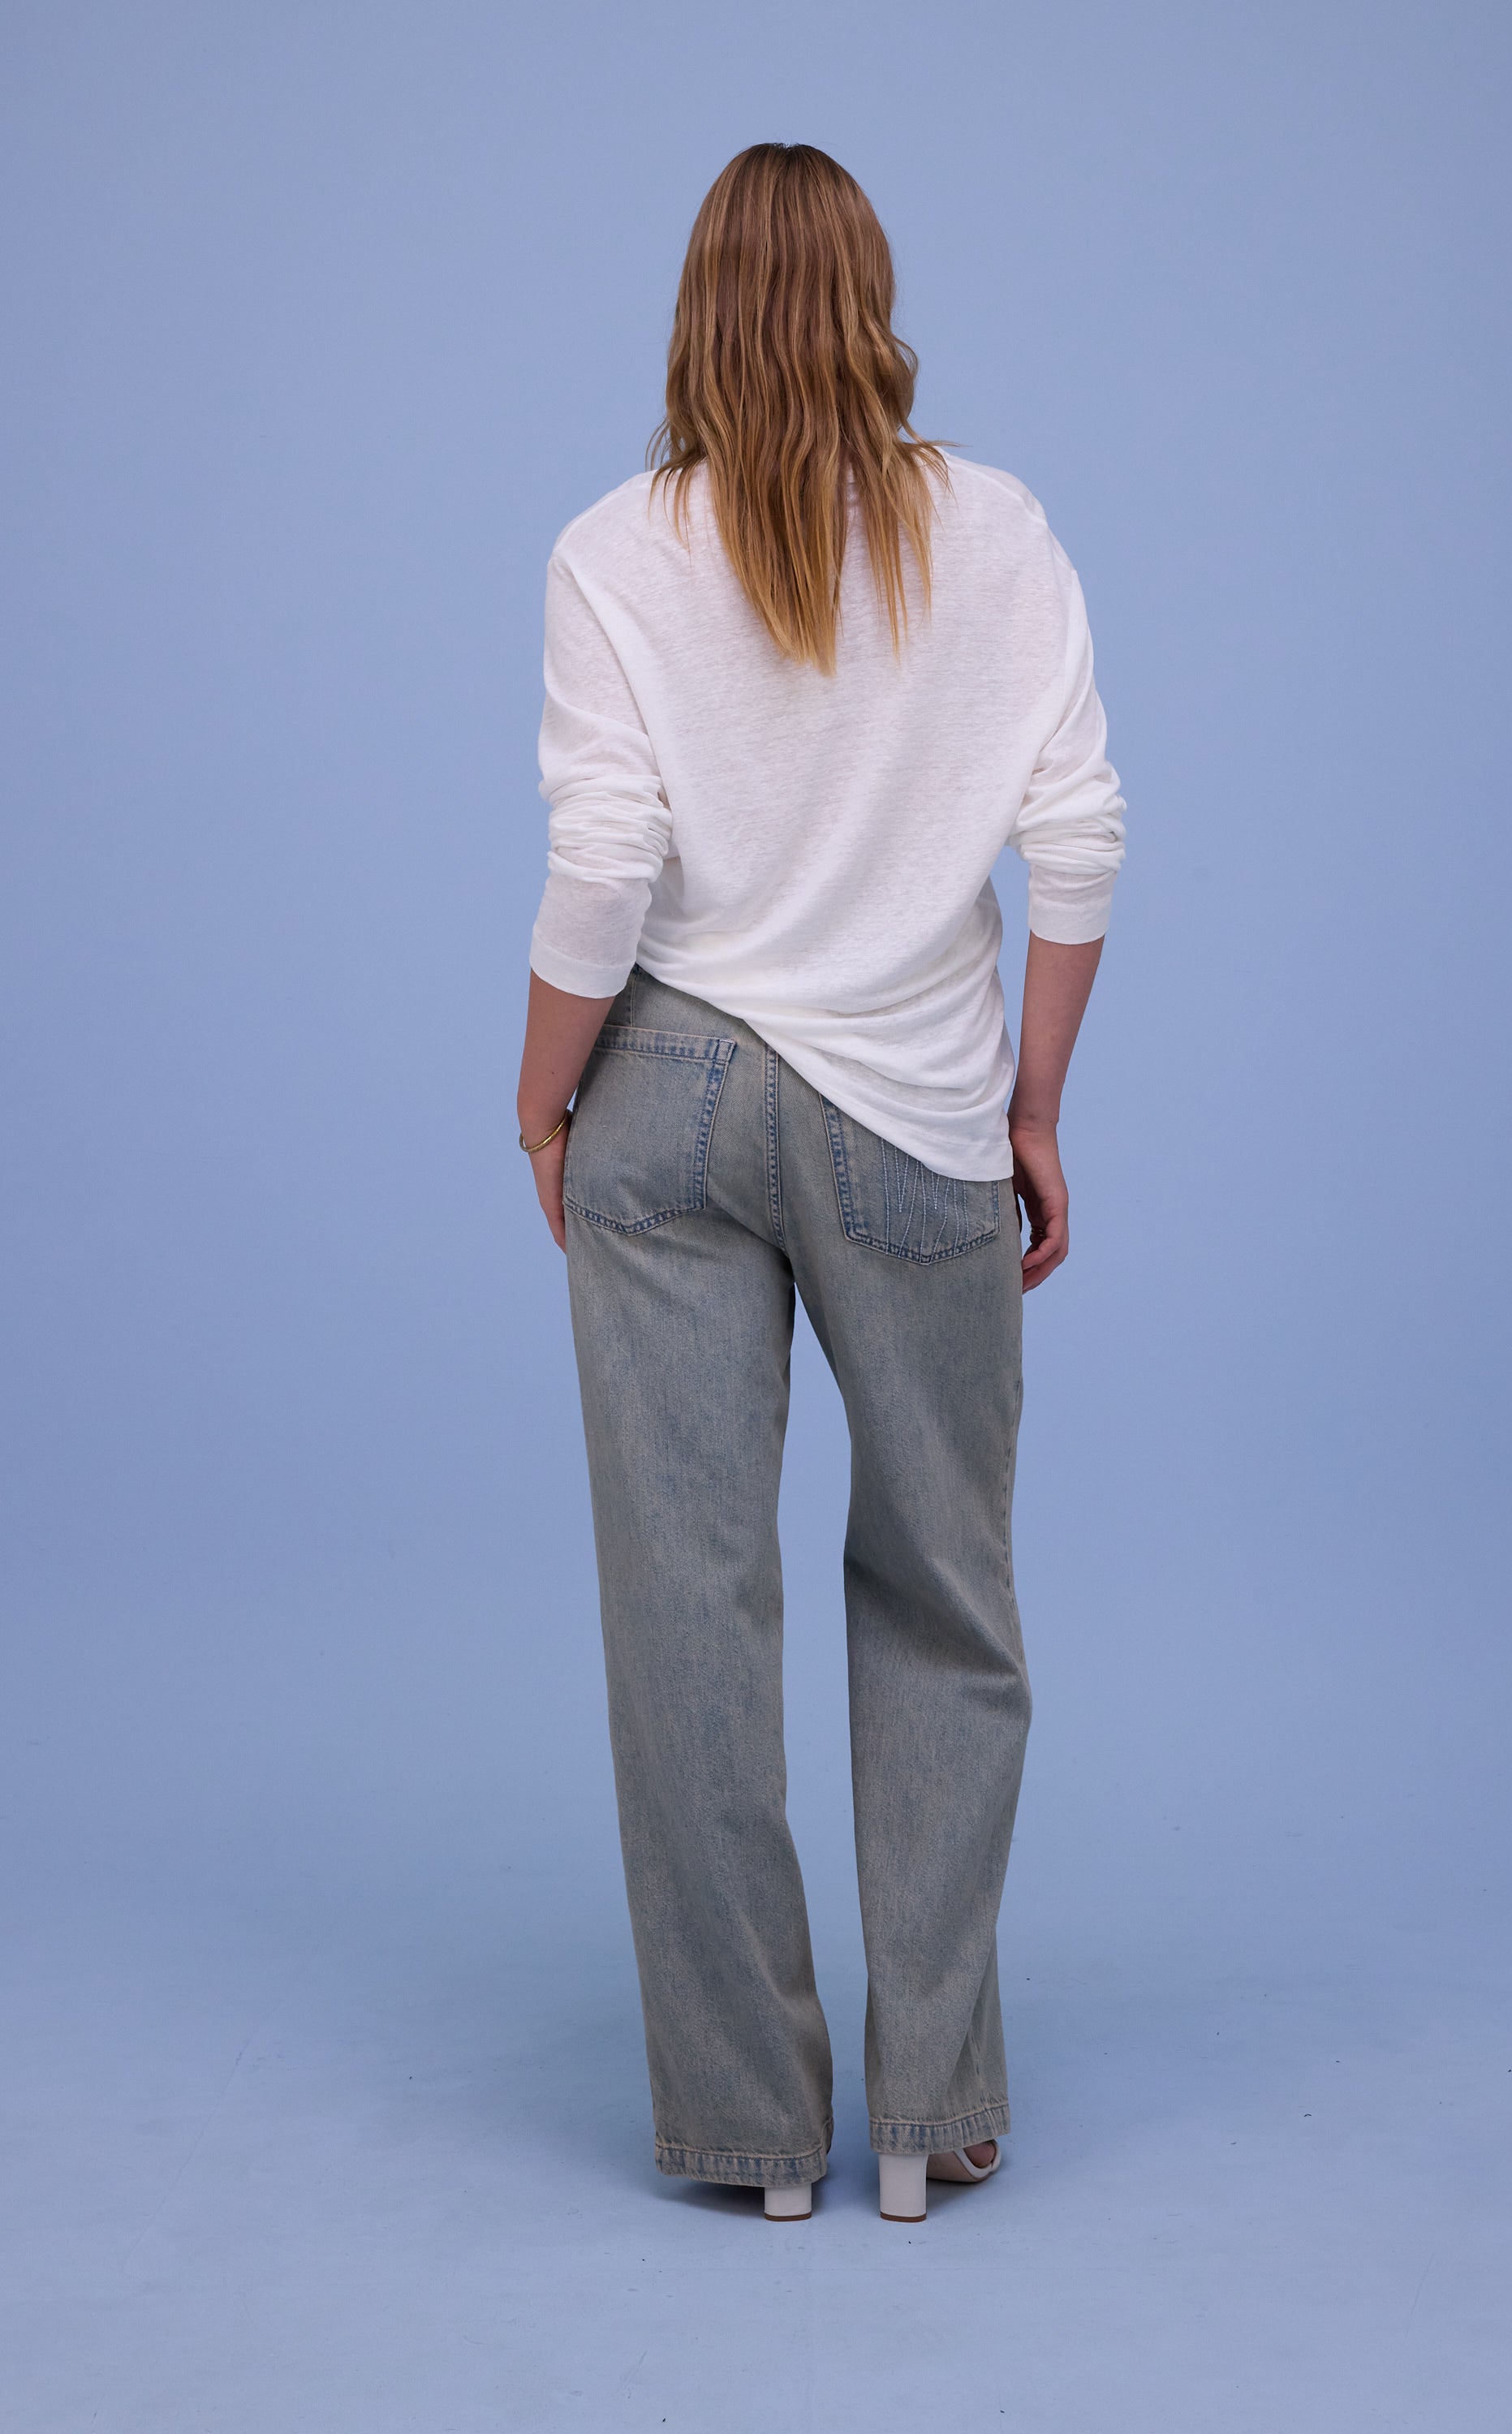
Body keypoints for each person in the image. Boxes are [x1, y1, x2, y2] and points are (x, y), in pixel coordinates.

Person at [516, 142, 1126, 2225]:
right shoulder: (996, 529)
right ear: (873, 300)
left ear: (696, 309)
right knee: (945, 1590)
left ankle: (751, 2139)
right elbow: (1081, 839)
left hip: (667, 1094)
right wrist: (1034, 1108)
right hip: (916, 1107)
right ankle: (931, 2117)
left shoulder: (611, 550)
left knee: (686, 1612)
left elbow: (605, 864)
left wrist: (540, 1101)